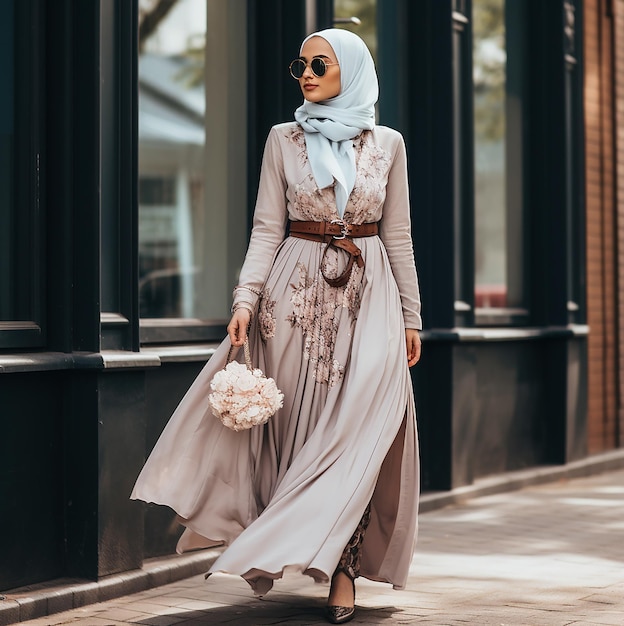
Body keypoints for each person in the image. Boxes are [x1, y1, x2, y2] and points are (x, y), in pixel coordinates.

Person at [132, 27, 422, 625]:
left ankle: (343, 569)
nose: (307, 74)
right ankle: (281, 543)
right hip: (290, 302)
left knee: (358, 437)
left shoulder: (388, 144)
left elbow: (398, 235)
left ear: (353, 70)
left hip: (371, 301)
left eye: (321, 64)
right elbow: (267, 228)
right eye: (301, 65)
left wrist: (413, 315)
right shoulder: (282, 140)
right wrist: (243, 300)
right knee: (296, 435)